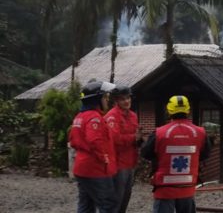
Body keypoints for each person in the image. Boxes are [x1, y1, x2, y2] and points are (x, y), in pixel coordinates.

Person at [141, 95, 210, 213]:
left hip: (164, 189)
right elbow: (205, 154)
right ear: (188, 111)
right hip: (188, 188)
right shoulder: (200, 132)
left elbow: (146, 153)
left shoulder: (159, 133)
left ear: (169, 111)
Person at [69, 81, 118, 213]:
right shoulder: (94, 118)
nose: (107, 100)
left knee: (86, 205)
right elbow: (94, 140)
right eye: (105, 97)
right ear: (97, 99)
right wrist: (104, 158)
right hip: (95, 169)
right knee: (108, 204)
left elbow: (73, 140)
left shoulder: (80, 116)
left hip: (82, 168)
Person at [105, 84, 140, 213]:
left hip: (131, 162)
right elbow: (114, 139)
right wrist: (134, 138)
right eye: (122, 99)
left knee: (126, 198)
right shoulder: (112, 116)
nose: (127, 101)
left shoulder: (133, 115)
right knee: (116, 200)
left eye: (128, 98)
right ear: (116, 101)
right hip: (118, 164)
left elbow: (136, 135)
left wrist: (140, 140)